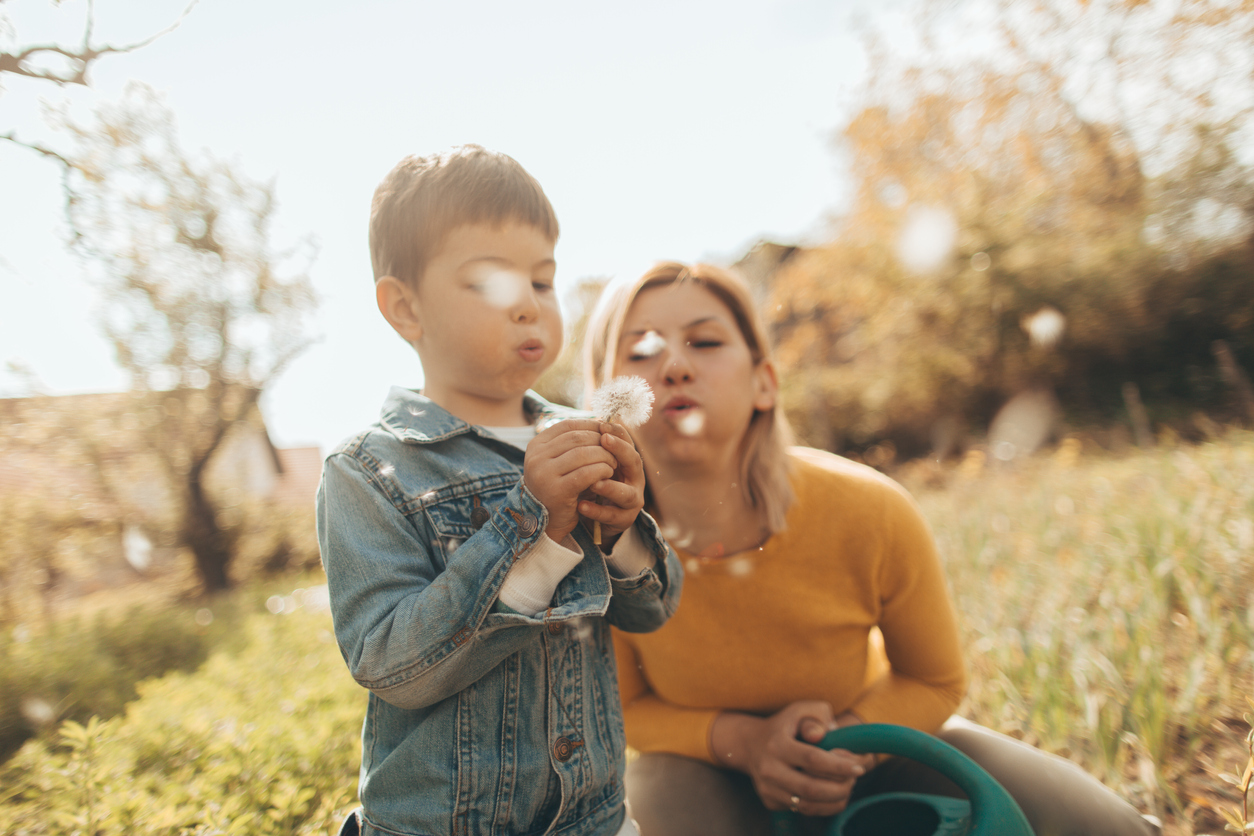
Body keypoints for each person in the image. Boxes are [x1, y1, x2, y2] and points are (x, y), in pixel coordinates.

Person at [584, 261, 1160, 836]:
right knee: (650, 792)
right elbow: (626, 711)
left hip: (873, 753)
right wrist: (748, 744)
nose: (676, 365)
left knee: (1100, 823)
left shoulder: (868, 508)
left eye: (705, 341)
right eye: (641, 352)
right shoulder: (594, 547)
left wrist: (846, 742)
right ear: (604, 396)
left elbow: (934, 680)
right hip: (705, 777)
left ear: (766, 382)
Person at [316, 146, 681, 836]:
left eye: (542, 282)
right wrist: (530, 527)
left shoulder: (583, 438)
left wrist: (624, 530)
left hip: (594, 820)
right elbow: (393, 665)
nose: (528, 308)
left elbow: (656, 608)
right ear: (405, 307)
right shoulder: (366, 470)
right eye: (490, 283)